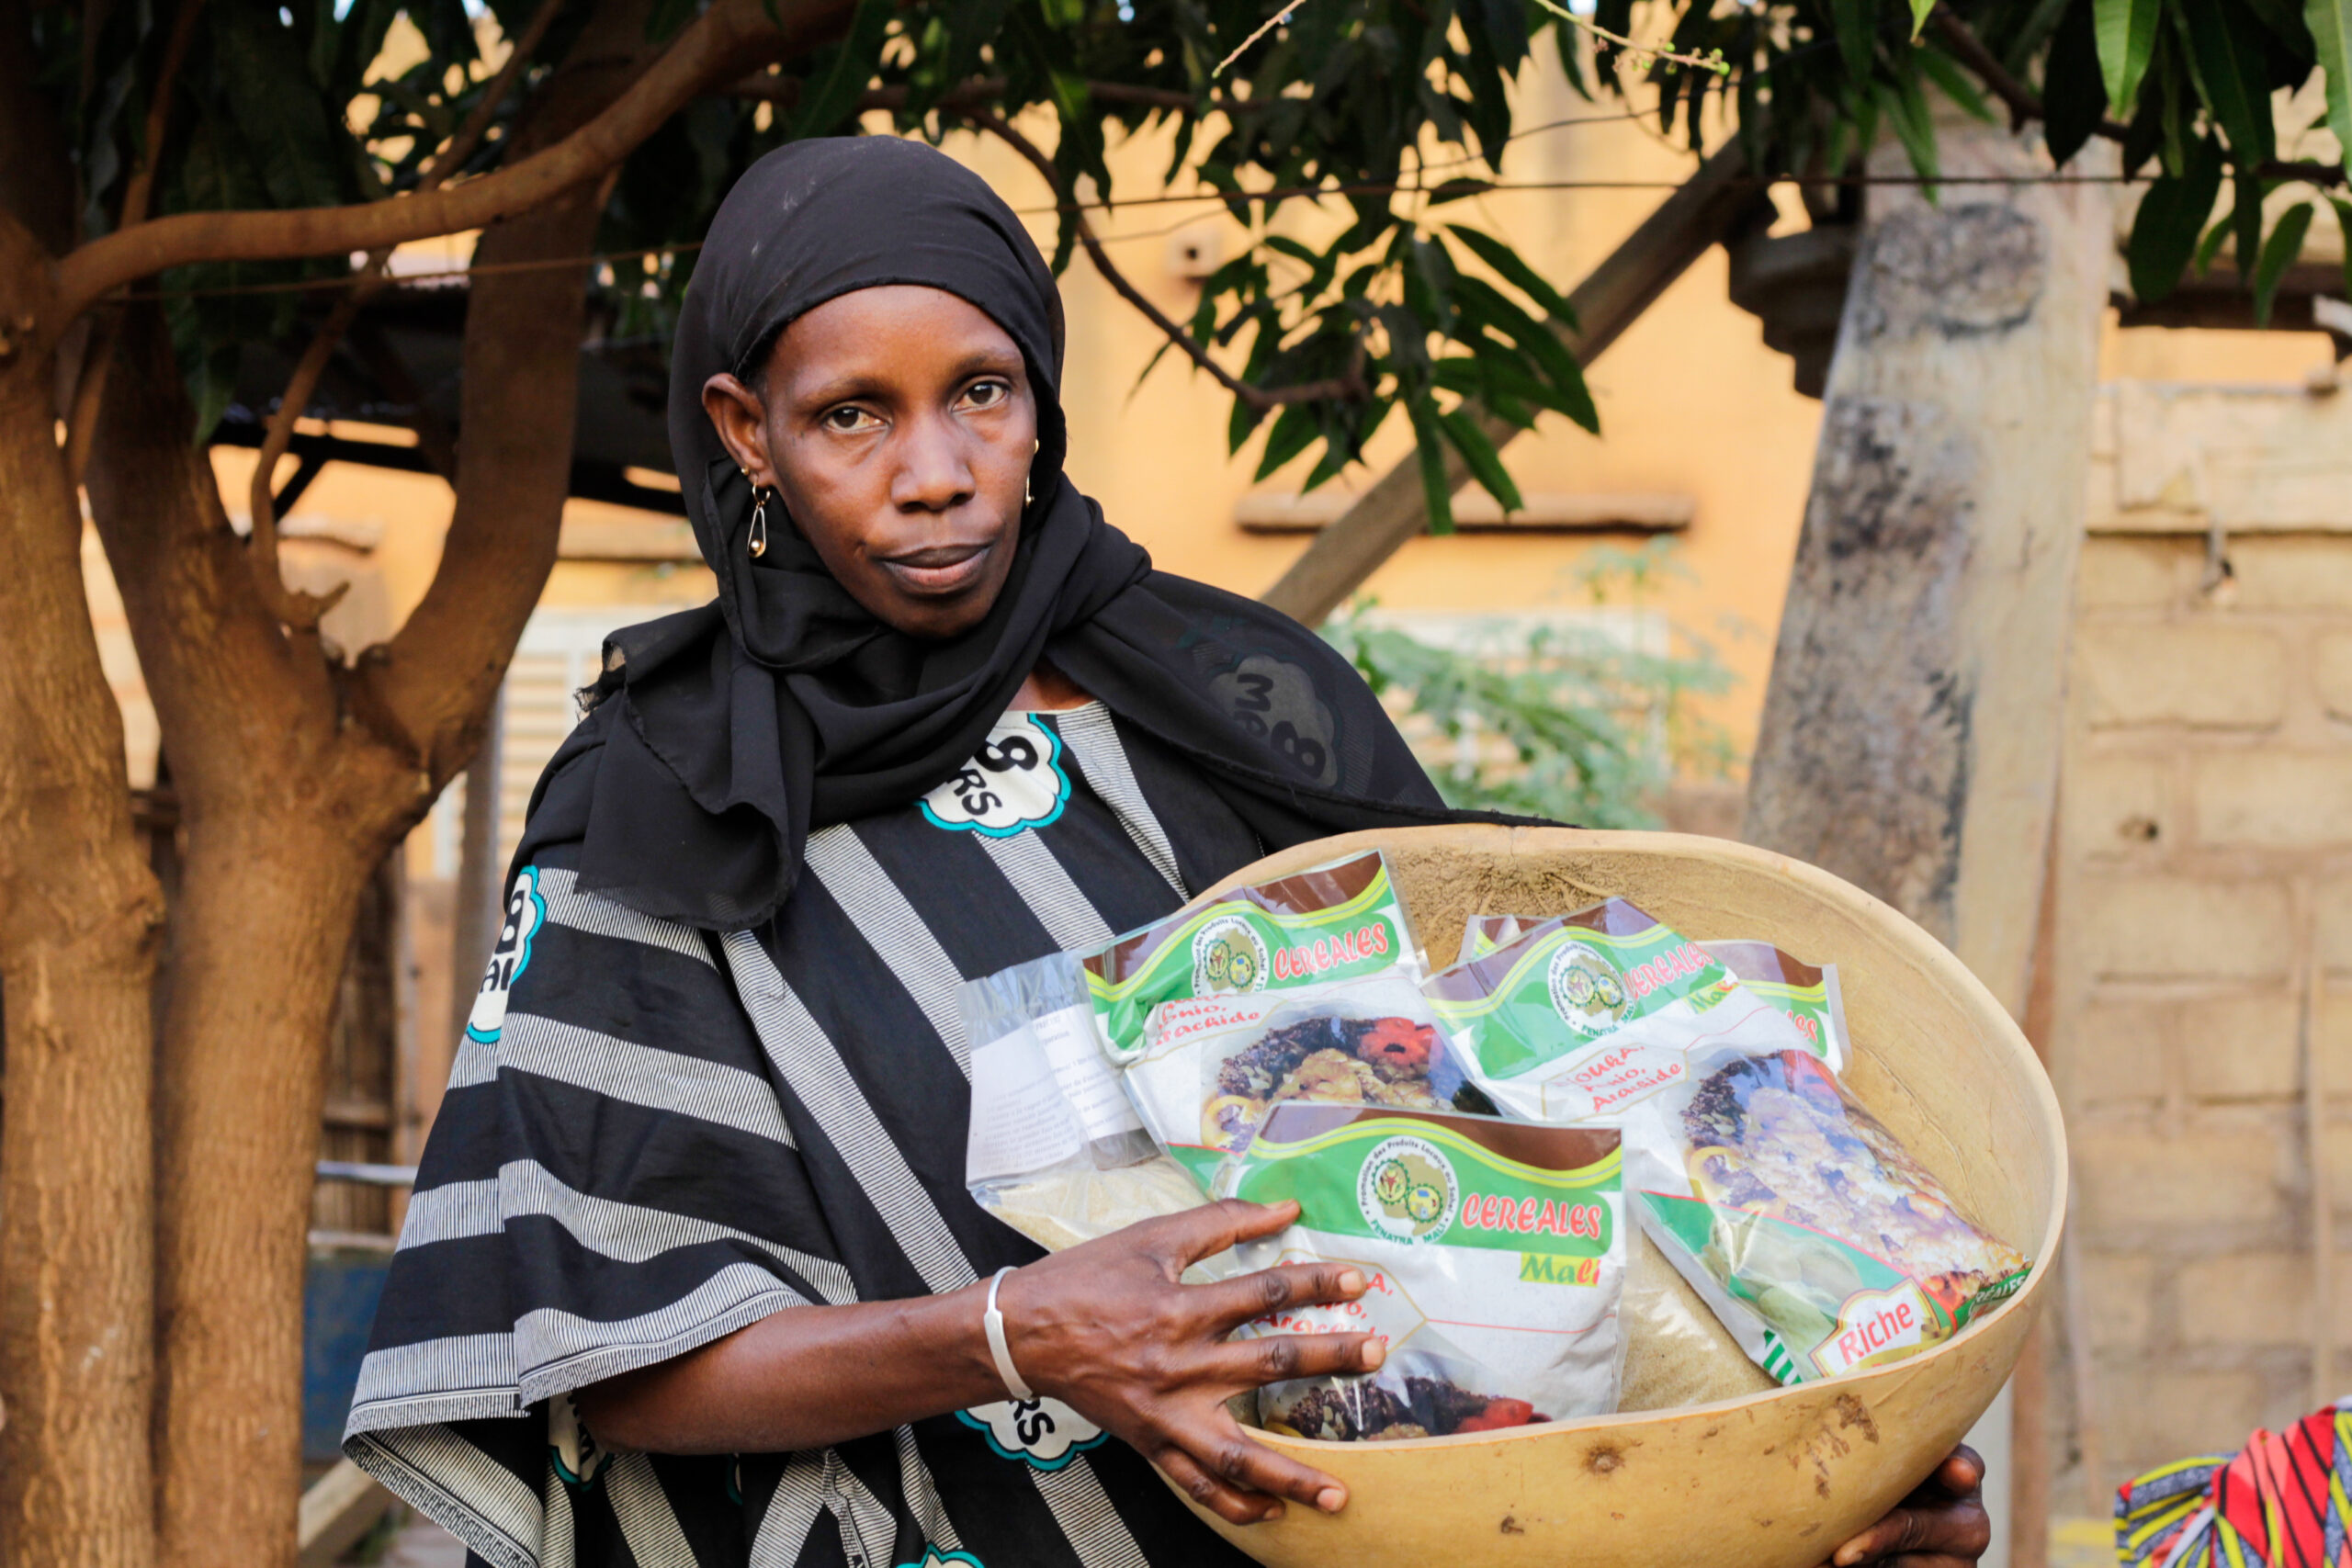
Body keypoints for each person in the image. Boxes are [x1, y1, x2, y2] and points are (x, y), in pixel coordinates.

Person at [344, 135, 1992, 1568]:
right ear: (746, 430)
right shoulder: (655, 803)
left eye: (981, 394)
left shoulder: (1240, 704)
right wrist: (1019, 1334)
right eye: (855, 414)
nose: (936, 475)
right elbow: (600, 1351)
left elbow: (1525, 1157)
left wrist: (1785, 1458)